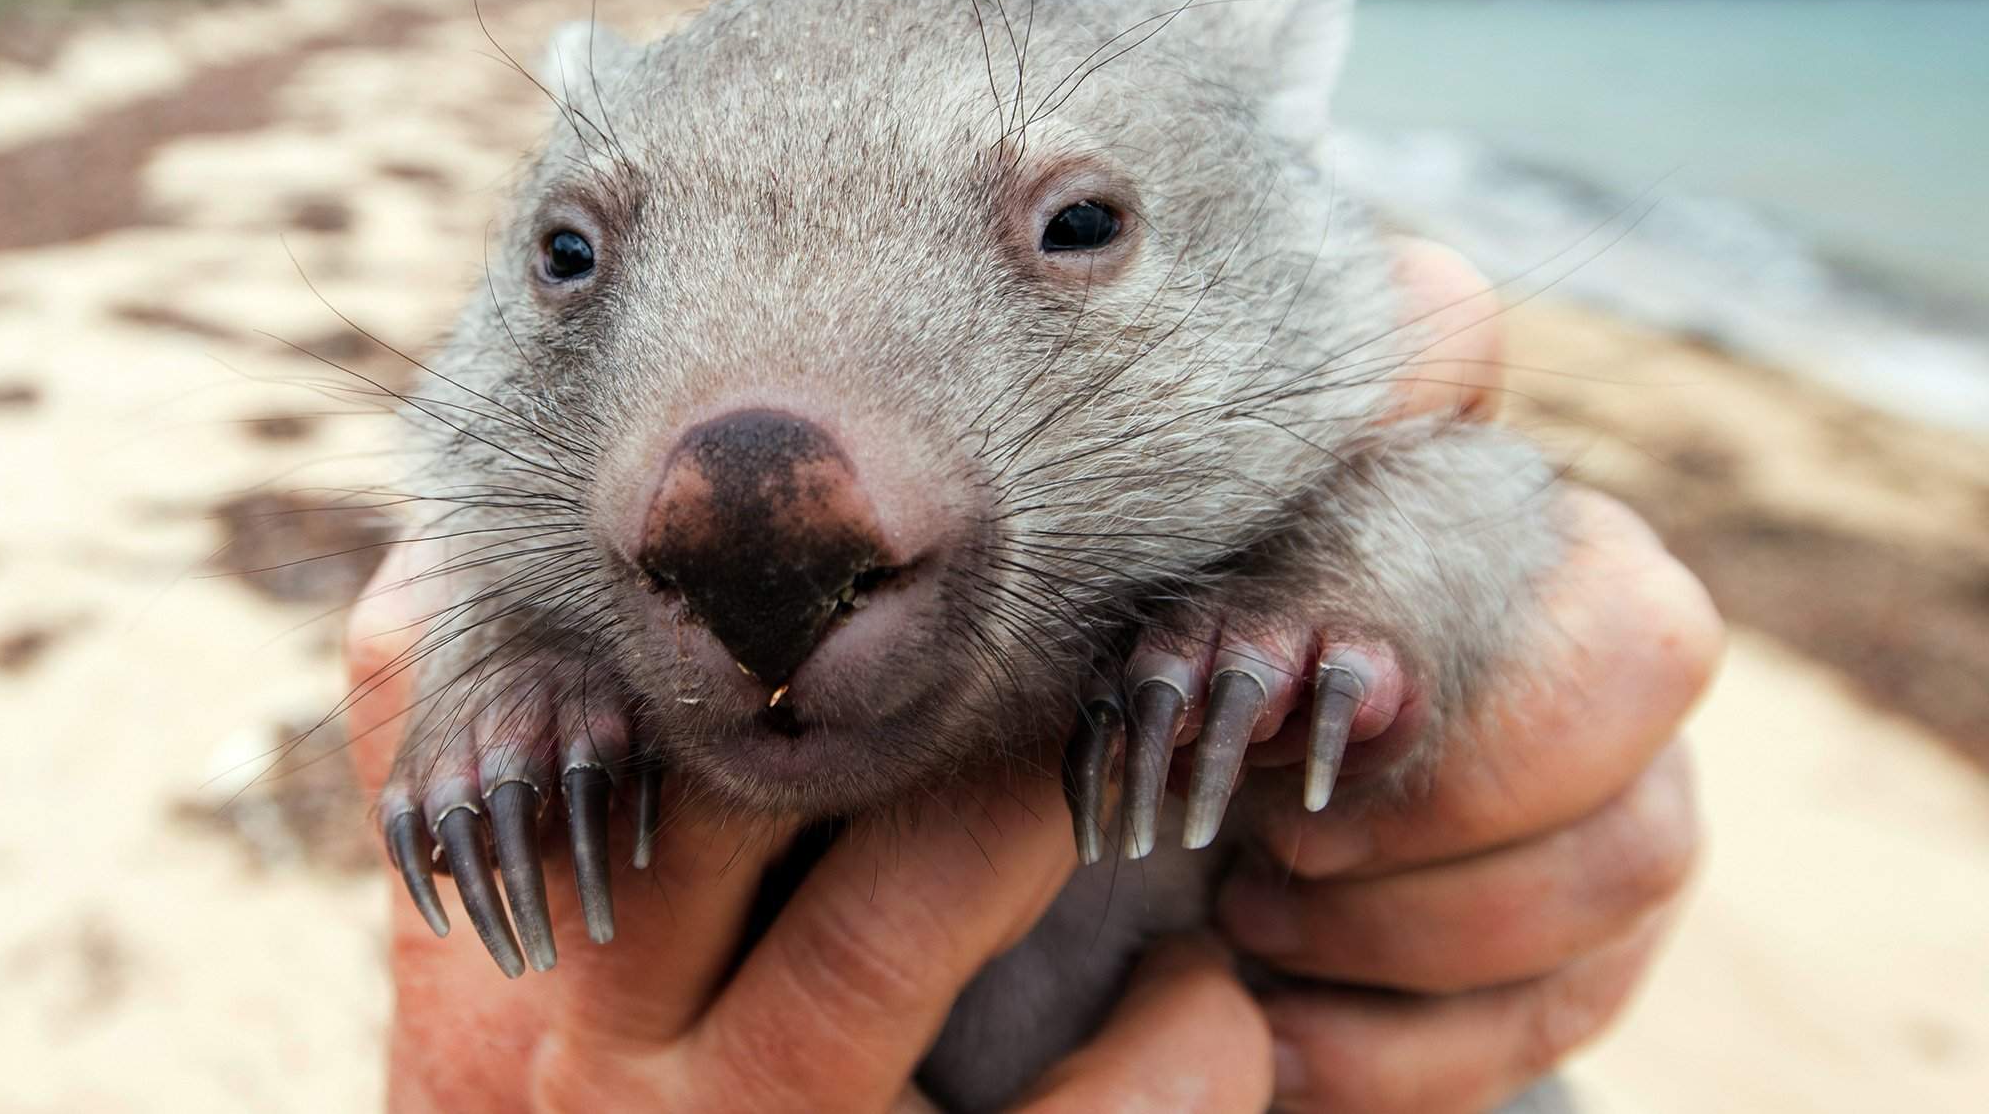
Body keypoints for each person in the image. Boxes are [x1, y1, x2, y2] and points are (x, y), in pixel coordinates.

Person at [342, 240, 1723, 1113]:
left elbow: (1461, 489)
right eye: (575, 260)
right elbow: (470, 523)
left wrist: (1367, 590)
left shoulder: (1325, 395)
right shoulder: (523, 533)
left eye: (1072, 232)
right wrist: (502, 669)